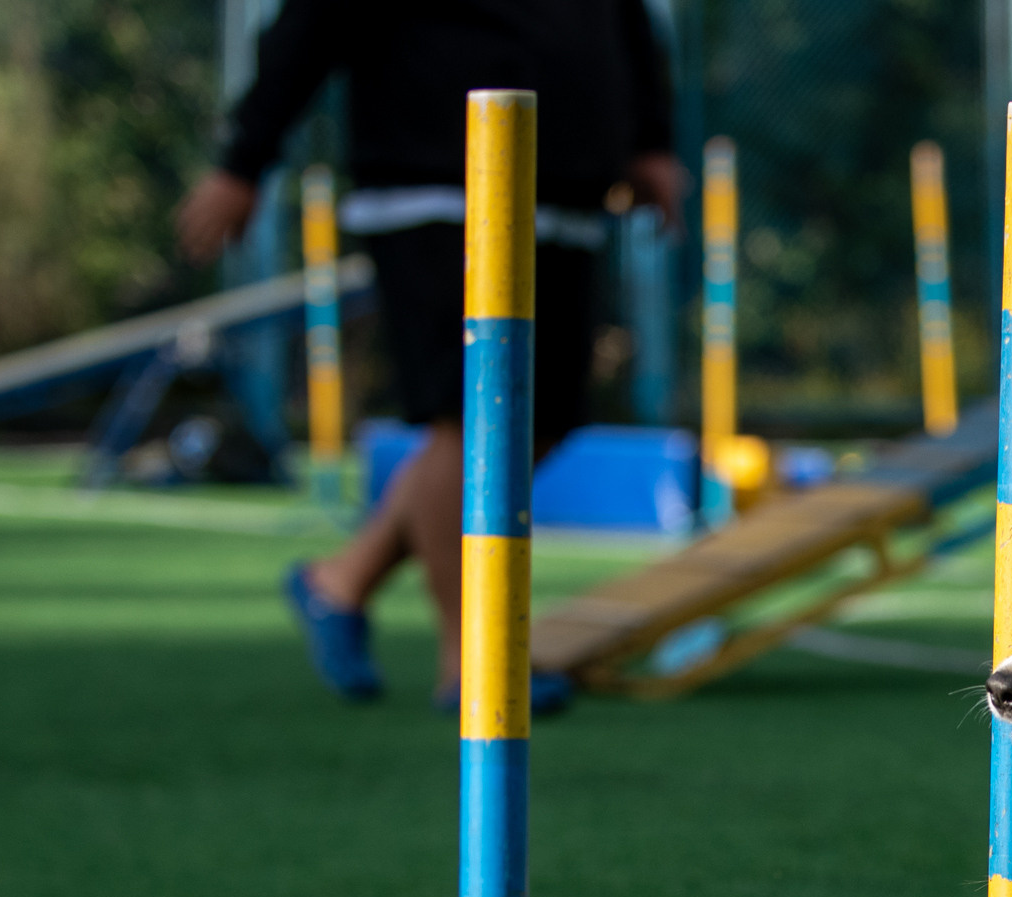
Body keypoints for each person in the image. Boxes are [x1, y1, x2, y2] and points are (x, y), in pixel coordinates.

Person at [177, 0, 681, 712]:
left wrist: (650, 140)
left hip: (567, 183)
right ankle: (473, 658)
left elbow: (625, 18)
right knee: (469, 419)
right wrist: (244, 161)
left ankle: (342, 579)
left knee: (545, 418)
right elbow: (310, 23)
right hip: (436, 177)